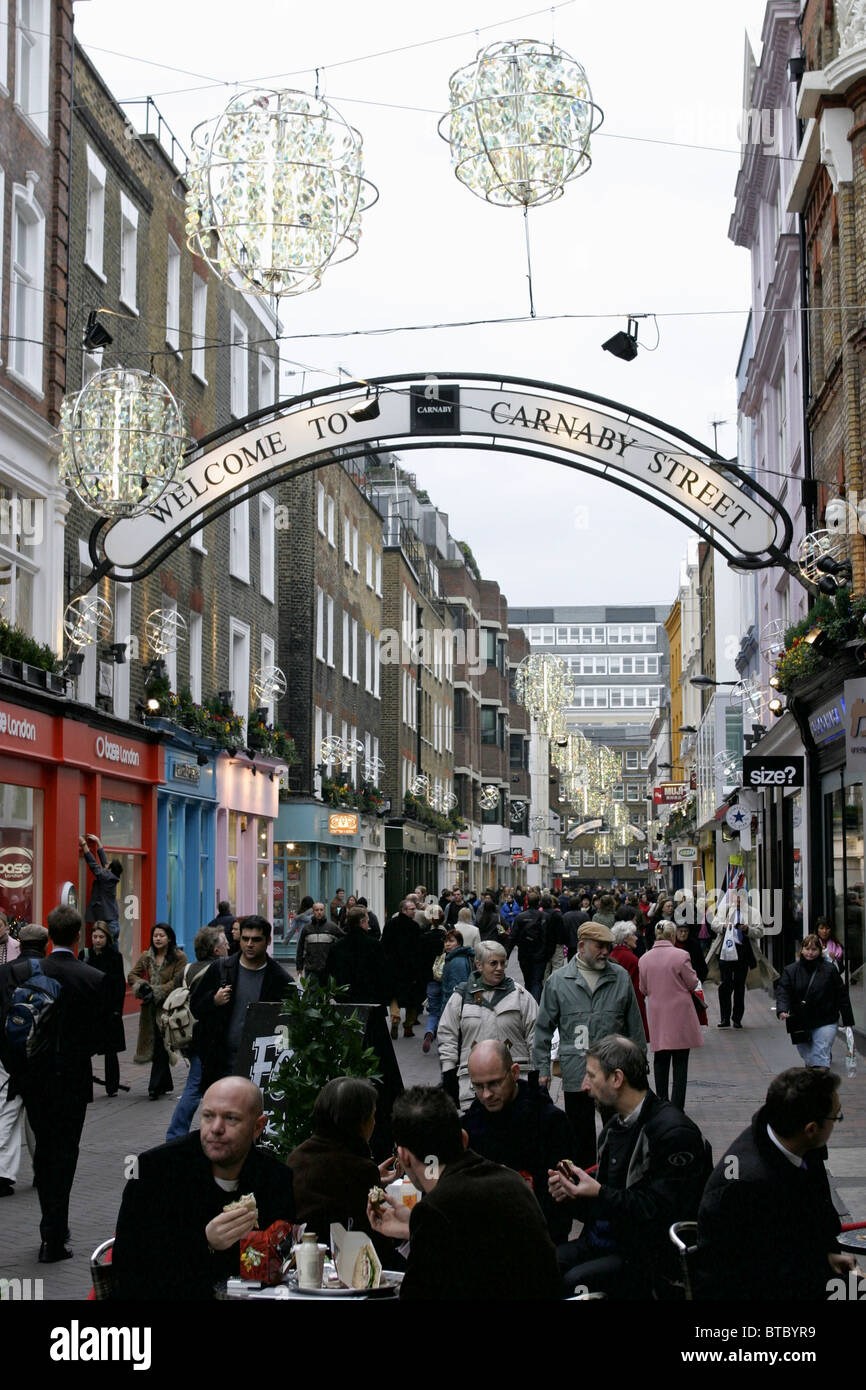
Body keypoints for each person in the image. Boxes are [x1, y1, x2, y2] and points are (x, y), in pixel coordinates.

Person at [366, 1085, 561, 1301]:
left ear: (404, 1156)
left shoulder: (435, 1209)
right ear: (463, 1138)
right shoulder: (512, 1181)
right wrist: (413, 1227)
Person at [551, 1035, 709, 1299]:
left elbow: (661, 1212)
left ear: (616, 1078)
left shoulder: (672, 1133)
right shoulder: (615, 1127)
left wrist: (598, 1193)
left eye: (591, 1076)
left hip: (648, 1256)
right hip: (608, 1241)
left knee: (574, 1283)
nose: (584, 1085)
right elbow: (605, 1207)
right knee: (539, 1264)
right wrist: (572, 1194)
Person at [112, 1077, 295, 1301]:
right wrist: (204, 1242)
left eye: (231, 1118)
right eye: (208, 1116)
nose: (216, 1128)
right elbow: (130, 1266)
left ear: (258, 1127)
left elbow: (280, 1263)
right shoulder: (155, 1170)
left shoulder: (274, 1179)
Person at [695, 1067, 856, 1301]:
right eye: (836, 1117)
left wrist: (824, 1257)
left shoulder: (788, 1138)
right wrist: (850, 1288)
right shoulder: (752, 1187)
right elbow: (775, 1277)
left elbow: (806, 1230)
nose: (836, 1122)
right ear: (810, 1129)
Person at [5, 907, 108, 1262]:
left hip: (36, 1080)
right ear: (79, 934)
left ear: (49, 935)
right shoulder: (93, 977)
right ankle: (55, 1232)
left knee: (46, 1152)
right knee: (66, 1155)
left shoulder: (30, 973)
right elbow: (101, 1038)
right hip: (73, 1081)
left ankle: (51, 1228)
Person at [533, 921, 646, 1167]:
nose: (606, 952)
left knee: (619, 1132)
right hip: (576, 1074)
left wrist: (640, 1066)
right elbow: (542, 1029)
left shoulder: (619, 978)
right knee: (580, 1136)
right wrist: (542, 1069)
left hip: (615, 1073)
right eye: (600, 946)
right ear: (582, 946)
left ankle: (615, 1181)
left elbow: (634, 1026)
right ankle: (584, 1184)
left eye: (608, 946)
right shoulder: (558, 981)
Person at [464, 1040, 578, 1243]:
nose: (487, 1094)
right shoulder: (470, 1125)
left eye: (494, 1083)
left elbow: (560, 1203)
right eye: (478, 1087)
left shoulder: (550, 1121)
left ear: (515, 1073)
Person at [288, 1077, 398, 1260]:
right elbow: (375, 1238)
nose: (374, 1123)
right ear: (360, 1122)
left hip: (301, 1256)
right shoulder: (359, 1169)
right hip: (341, 1263)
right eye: (372, 1116)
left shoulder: (297, 1157)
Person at [194, 916, 291, 1089]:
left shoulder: (280, 979)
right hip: (223, 1062)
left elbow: (288, 1024)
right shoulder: (222, 968)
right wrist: (213, 1001)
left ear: (268, 941)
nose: (249, 944)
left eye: (256, 939)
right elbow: (195, 1006)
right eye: (245, 939)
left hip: (261, 1064)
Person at [437, 940, 538, 1108]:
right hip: (474, 1087)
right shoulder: (462, 996)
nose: (499, 968)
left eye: (502, 963)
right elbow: (447, 1035)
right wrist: (449, 1073)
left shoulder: (520, 995)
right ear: (479, 965)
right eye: (493, 963)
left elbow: (535, 1033)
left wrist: (536, 1072)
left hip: (515, 1083)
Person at [166, 926, 229, 1140]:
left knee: (200, 1083)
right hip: (208, 1036)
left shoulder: (186, 969)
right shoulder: (219, 970)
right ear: (216, 950)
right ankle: (175, 1133)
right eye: (224, 943)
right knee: (194, 1087)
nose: (228, 946)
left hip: (187, 1034)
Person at [638, 922, 703, 1112]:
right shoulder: (681, 956)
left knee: (661, 1058)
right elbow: (692, 982)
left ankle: (661, 1101)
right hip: (680, 1013)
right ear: (672, 936)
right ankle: (677, 1106)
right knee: (681, 1061)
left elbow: (643, 988)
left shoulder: (644, 959)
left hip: (658, 1013)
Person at [0, 923, 43, 1199]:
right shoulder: (50, 970)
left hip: (8, 1053)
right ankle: (42, 1169)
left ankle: (3, 1172)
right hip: (42, 1054)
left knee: (7, 1111)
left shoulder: (5, 972)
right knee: (38, 1116)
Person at [776, 933, 855, 1067]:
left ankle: (821, 1084)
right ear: (801, 950)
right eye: (807, 949)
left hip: (825, 1019)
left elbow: (841, 995)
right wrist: (782, 1009)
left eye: (814, 949)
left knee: (820, 1054)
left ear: (820, 951)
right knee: (808, 1057)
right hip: (800, 1021)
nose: (810, 953)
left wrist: (847, 1020)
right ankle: (816, 1079)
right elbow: (783, 992)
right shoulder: (791, 970)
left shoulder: (829, 970)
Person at [128, 923, 187, 1099]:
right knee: (157, 1044)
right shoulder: (147, 956)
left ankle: (153, 1087)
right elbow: (132, 975)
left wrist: (155, 991)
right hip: (149, 1009)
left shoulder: (179, 957)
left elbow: (177, 980)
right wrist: (141, 986)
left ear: (169, 938)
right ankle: (164, 1083)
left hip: (169, 1007)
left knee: (163, 1044)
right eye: (155, 936)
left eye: (161, 935)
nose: (158, 938)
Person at [705, 889, 766, 1029]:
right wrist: (723, 926)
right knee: (726, 984)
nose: (738, 902)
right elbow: (714, 925)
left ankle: (737, 1018)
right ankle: (724, 1018)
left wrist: (747, 929)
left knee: (739, 986)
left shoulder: (753, 912)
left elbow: (760, 932)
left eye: (740, 899)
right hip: (725, 952)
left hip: (742, 952)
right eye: (735, 899)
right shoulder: (725, 910)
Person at [79, 921, 126, 1097]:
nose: (97, 940)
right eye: (95, 937)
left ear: (107, 938)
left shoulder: (115, 957)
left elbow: (119, 985)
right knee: (85, 1049)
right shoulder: (85, 955)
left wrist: (117, 1011)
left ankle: (112, 1086)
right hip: (89, 1009)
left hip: (108, 1010)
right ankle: (85, 1085)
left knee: (110, 1051)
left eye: (101, 937)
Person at [382, 898, 425, 1039]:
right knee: (411, 998)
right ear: (403, 910)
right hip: (410, 969)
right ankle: (408, 1026)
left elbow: (384, 946)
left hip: (393, 967)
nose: (414, 911)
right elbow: (418, 949)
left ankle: (395, 1018)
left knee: (394, 995)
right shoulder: (414, 927)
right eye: (411, 909)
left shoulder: (390, 924)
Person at [509, 893, 554, 1002]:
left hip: (525, 954)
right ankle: (535, 1005)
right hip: (541, 954)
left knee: (528, 980)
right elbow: (551, 938)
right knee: (537, 981)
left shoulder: (520, 917)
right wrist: (549, 954)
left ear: (527, 902)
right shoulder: (545, 917)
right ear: (539, 902)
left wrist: (507, 954)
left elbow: (513, 937)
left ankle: (529, 1004)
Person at [79, 834, 123, 939]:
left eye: (109, 864)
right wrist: (98, 842)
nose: (106, 864)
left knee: (107, 953)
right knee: (113, 953)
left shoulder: (107, 878)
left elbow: (94, 865)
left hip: (108, 924)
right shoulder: (112, 877)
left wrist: (84, 845)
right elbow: (104, 863)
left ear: (110, 869)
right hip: (112, 922)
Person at [610, 921, 648, 1039]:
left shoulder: (612, 955)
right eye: (633, 935)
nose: (636, 938)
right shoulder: (632, 959)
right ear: (626, 939)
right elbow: (636, 990)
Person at [419, 905, 447, 1053]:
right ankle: (443, 1041)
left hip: (431, 978)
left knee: (433, 1010)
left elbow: (421, 960)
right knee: (444, 1010)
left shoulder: (424, 938)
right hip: (445, 977)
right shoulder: (448, 937)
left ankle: (429, 1031)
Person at [295, 902, 344, 985]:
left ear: (324, 911)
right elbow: (301, 948)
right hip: (311, 968)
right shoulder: (307, 929)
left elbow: (343, 941)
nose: (319, 912)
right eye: (317, 910)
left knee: (325, 995)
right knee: (312, 994)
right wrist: (299, 966)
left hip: (328, 968)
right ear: (313, 912)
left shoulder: (332, 927)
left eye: (321, 910)